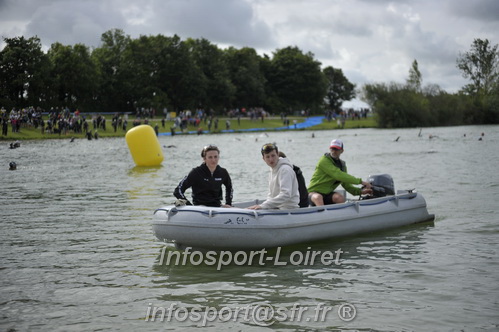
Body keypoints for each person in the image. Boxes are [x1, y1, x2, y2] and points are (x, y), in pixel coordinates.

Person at [308, 139, 372, 206]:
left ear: (342, 151)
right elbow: (338, 175)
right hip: (313, 193)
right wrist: (361, 182)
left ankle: (343, 215)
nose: (333, 151)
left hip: (327, 194)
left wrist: (360, 192)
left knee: (339, 198)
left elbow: (346, 185)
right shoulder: (323, 161)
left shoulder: (342, 165)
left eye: (336, 149)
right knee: (318, 197)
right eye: (332, 149)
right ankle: (323, 215)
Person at [248, 143, 300, 210]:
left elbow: (286, 195)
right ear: (263, 159)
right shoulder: (272, 170)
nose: (271, 159)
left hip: (288, 209)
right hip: (276, 208)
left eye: (273, 156)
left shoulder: (285, 170)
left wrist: (263, 206)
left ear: (278, 155)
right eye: (267, 157)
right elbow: (271, 195)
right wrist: (263, 206)